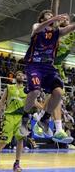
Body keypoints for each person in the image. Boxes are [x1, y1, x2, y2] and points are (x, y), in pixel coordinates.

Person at [20, 10, 75, 141]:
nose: (51, 16)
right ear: (42, 18)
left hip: (49, 67)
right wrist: (53, 18)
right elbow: (39, 27)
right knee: (35, 91)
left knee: (59, 93)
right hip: (34, 65)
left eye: (52, 15)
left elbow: (71, 27)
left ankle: (44, 119)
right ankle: (25, 117)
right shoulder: (36, 27)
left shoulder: (57, 32)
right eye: (48, 14)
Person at [0, 71, 26, 172]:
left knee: (20, 140)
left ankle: (17, 163)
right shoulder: (9, 87)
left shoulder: (27, 90)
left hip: (21, 117)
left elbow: (33, 102)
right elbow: (2, 101)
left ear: (24, 78)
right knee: (5, 140)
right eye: (18, 75)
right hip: (9, 116)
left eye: (22, 75)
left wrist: (43, 107)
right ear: (16, 77)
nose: (20, 76)